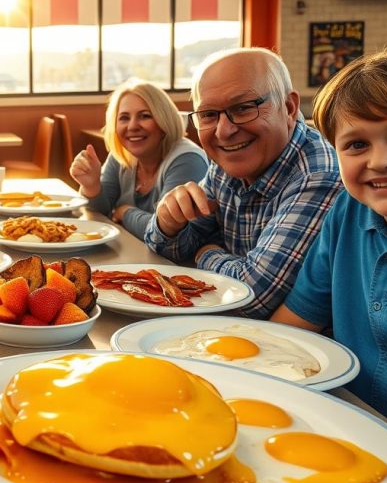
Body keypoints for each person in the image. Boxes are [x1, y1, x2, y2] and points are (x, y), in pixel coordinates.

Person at [272, 49, 387, 458]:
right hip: (345, 433)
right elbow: (295, 325)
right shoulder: (349, 211)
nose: (380, 161)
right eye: (355, 145)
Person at [146, 48, 342, 319]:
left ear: (289, 107)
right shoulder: (228, 162)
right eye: (208, 115)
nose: (223, 131)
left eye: (243, 108)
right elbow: (172, 248)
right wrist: (168, 223)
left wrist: (206, 252)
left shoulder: (318, 175)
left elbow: (249, 297)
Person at [70, 79, 207, 237]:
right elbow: (99, 214)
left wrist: (125, 212)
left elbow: (166, 233)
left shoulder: (188, 161)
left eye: (145, 116)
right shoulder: (122, 154)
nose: (132, 126)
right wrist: (91, 186)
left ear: (164, 120)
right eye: (124, 118)